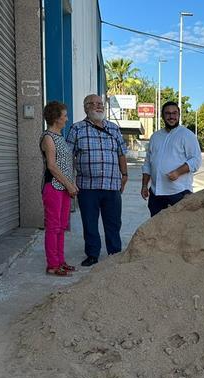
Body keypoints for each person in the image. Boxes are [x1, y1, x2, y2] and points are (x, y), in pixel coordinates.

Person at [66, 94, 128, 267]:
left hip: (111, 185)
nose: (97, 106)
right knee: (90, 223)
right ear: (85, 108)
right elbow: (68, 156)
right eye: (92, 104)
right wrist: (70, 182)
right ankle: (92, 254)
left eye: (100, 104)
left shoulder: (114, 129)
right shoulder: (76, 129)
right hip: (87, 187)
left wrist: (125, 175)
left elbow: (121, 153)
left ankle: (114, 253)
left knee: (113, 223)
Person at [141, 101, 202, 217]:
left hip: (178, 194)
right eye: (168, 113)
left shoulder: (187, 135)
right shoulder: (155, 137)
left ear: (179, 115)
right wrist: (144, 185)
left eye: (174, 113)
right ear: (162, 116)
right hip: (156, 194)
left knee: (178, 231)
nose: (171, 116)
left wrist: (178, 172)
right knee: (157, 230)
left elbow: (196, 160)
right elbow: (148, 163)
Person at [39, 101, 78, 276]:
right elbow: (52, 166)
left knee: (62, 227)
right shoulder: (48, 137)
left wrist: (71, 183)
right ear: (56, 118)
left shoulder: (60, 137)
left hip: (63, 188)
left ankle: (60, 261)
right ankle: (53, 265)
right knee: (53, 227)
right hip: (53, 187)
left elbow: (66, 165)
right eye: (64, 115)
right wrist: (69, 184)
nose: (67, 118)